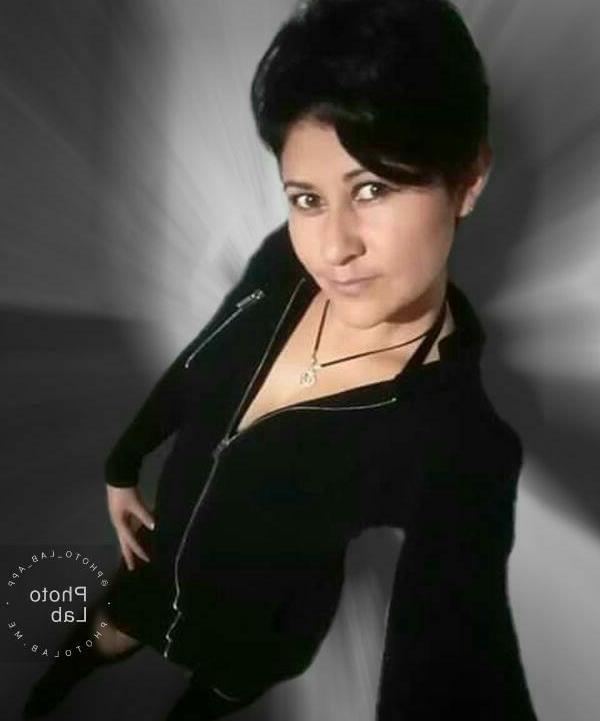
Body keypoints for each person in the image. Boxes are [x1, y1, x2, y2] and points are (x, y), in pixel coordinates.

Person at [23, 0, 540, 719]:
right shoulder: (282, 264)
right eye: (307, 198)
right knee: (94, 644)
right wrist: (124, 460)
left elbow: (455, 658)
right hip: (157, 565)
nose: (334, 248)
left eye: (373, 188)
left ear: (469, 178)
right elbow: (200, 362)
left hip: (254, 635)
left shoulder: (462, 446)